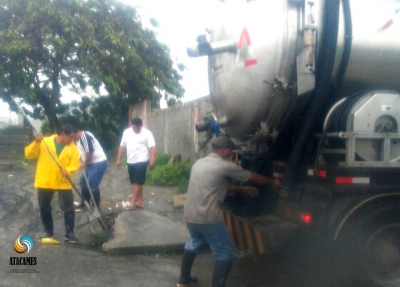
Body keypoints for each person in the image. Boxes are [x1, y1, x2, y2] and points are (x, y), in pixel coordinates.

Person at [177, 136, 280, 287]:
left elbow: (214, 186)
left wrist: (243, 189)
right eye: (231, 150)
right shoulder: (225, 165)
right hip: (208, 217)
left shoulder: (199, 163)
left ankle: (183, 280)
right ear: (223, 149)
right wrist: (273, 182)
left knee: (193, 243)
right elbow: (254, 177)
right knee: (224, 253)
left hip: (190, 214)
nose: (231, 154)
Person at [25, 125, 81, 243]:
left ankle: (69, 233)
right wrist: (36, 142)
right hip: (46, 180)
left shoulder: (73, 148)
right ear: (62, 134)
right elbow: (28, 154)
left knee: (69, 208)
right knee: (44, 207)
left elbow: (75, 164)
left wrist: (68, 170)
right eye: (70, 137)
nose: (73, 139)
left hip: (63, 181)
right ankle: (49, 233)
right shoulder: (45, 142)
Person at [116, 117, 156, 210]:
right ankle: (140, 202)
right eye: (134, 128)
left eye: (138, 128)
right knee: (135, 181)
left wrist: (152, 159)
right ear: (131, 125)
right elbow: (122, 146)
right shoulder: (126, 132)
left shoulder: (147, 133)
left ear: (141, 125)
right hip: (131, 160)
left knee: (137, 181)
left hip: (142, 160)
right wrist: (118, 159)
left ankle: (132, 203)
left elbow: (153, 147)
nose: (136, 129)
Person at [73, 128, 108, 208]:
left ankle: (96, 206)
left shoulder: (85, 137)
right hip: (90, 163)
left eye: (73, 136)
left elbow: (90, 153)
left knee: (92, 182)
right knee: (83, 182)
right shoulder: (78, 138)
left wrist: (84, 164)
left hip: (98, 162)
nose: (73, 138)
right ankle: (85, 202)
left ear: (78, 131)